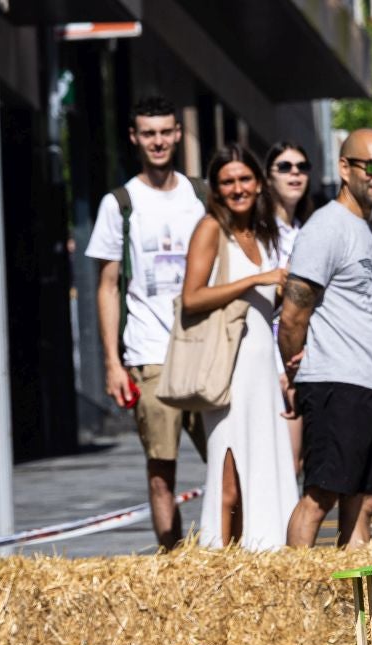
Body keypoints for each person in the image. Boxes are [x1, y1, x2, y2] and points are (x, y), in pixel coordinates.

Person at [84, 95, 208, 550]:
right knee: (162, 470)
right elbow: (107, 286)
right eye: (148, 134)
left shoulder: (201, 196)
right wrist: (113, 364)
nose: (158, 141)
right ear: (135, 138)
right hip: (149, 354)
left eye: (165, 132)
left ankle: (230, 556)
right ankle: (173, 559)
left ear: (178, 134)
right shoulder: (119, 204)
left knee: (229, 460)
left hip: (203, 352)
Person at [278, 128, 372, 548]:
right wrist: (294, 368)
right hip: (335, 380)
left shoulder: (366, 230)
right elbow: (293, 313)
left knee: (363, 500)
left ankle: (354, 606)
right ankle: (297, 597)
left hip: (370, 382)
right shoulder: (326, 226)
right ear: (345, 167)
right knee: (321, 494)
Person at [181, 145, 298, 549]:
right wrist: (255, 280)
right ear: (215, 188)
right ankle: (223, 555)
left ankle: (266, 547)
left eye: (244, 178)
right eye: (227, 181)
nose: (237, 188)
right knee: (229, 468)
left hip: (263, 367)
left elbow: (264, 306)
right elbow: (191, 298)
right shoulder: (211, 228)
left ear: (259, 182)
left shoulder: (262, 232)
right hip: (228, 368)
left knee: (266, 460)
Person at [265, 142, 318, 484]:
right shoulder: (258, 231)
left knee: (302, 463)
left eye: (301, 166)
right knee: (284, 462)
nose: (295, 173)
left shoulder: (313, 228)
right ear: (268, 177)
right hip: (272, 355)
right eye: (284, 167)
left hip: (312, 353)